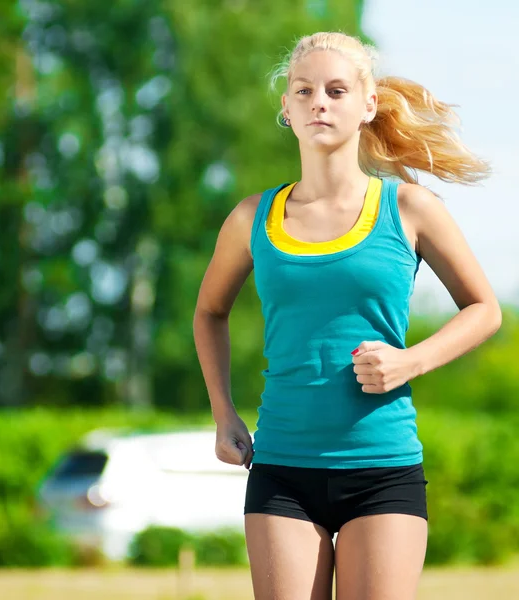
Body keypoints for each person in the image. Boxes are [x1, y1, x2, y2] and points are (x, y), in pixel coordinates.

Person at [192, 31, 502, 600]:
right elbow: (210, 311)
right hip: (281, 468)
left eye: (336, 90)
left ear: (368, 104)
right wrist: (223, 412)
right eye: (304, 90)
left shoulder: (408, 208)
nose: (319, 102)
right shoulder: (250, 219)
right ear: (286, 108)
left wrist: (410, 361)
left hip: (383, 469)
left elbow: (484, 310)